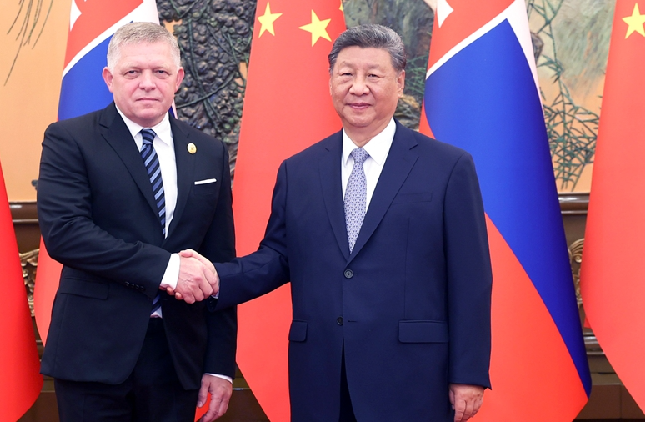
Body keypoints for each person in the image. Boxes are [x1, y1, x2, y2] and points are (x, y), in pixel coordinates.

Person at [179, 24, 492, 422]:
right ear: (330, 82)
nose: (358, 87)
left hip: (412, 376)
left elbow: (470, 278)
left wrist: (468, 373)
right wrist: (213, 278)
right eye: (346, 74)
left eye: (373, 75)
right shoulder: (299, 170)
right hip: (322, 374)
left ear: (399, 82)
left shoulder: (448, 167)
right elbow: (277, 257)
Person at [37, 22, 237, 422]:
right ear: (109, 78)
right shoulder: (69, 140)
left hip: (178, 358)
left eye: (159, 71)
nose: (147, 83)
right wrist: (167, 268)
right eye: (133, 72)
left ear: (178, 79)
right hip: (94, 354)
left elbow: (219, 262)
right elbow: (66, 234)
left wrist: (219, 364)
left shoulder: (208, 152)